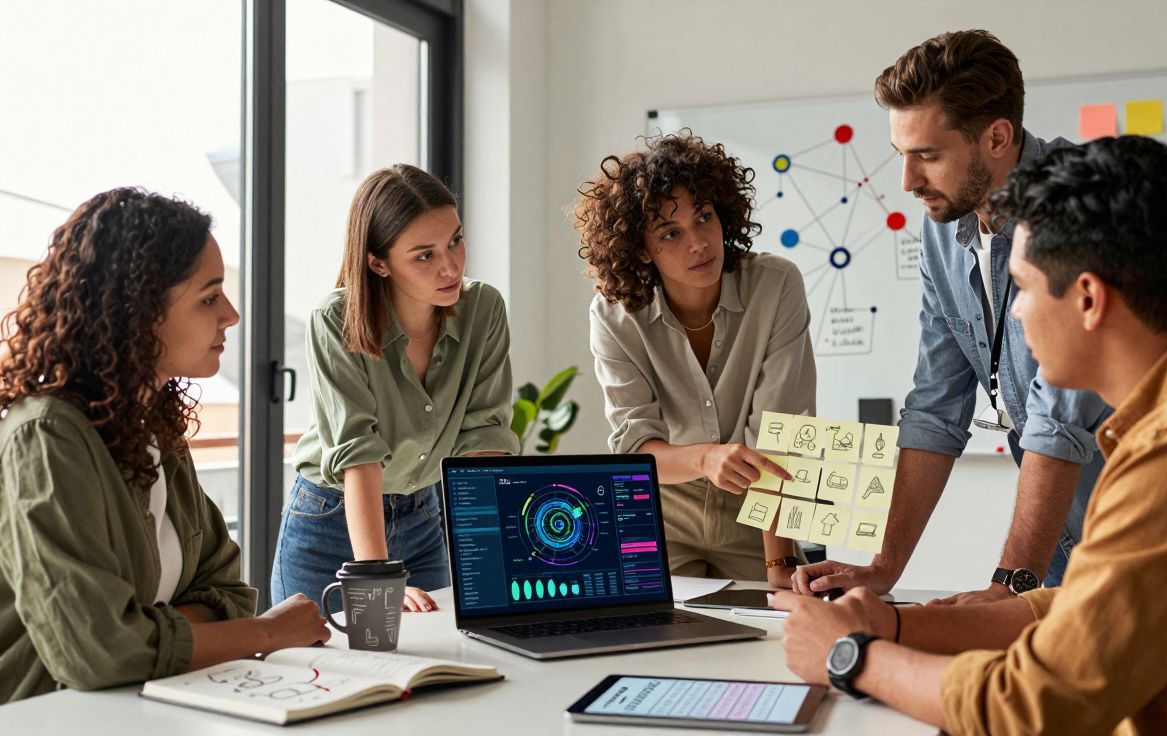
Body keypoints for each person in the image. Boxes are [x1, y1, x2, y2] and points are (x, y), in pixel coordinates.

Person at [770, 136, 1167, 733]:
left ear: (1087, 298)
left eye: (1022, 286)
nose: (1017, 313)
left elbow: (1036, 705)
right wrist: (895, 625)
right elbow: (1092, 611)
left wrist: (851, 658)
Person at [794, 30, 1112, 604]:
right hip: (1071, 547)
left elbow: (1057, 419)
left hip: (1152, 533)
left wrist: (1008, 584)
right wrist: (881, 571)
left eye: (928, 156)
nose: (908, 182)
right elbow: (936, 406)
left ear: (996, 136)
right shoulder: (944, 227)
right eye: (901, 155)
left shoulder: (1078, 207)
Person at [0, 188, 329, 704]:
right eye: (208, 297)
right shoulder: (45, 437)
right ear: (139, 310)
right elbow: (95, 652)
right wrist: (266, 633)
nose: (231, 315)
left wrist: (144, 634)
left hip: (145, 706)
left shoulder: (156, 428)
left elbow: (228, 589)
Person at [271, 164, 518, 614]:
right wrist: (377, 576)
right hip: (330, 522)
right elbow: (358, 454)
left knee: (440, 662)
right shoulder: (335, 320)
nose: (450, 266)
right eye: (424, 255)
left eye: (455, 241)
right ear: (378, 261)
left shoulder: (484, 309)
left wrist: (492, 559)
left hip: (422, 515)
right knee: (322, 673)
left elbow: (484, 437)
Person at [575, 132, 815, 585]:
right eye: (671, 232)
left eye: (704, 217)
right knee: (651, 644)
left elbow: (783, 436)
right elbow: (636, 448)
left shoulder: (777, 285)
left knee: (778, 635)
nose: (699, 242)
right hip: (662, 511)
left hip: (758, 509)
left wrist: (780, 566)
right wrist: (706, 459)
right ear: (642, 249)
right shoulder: (614, 316)